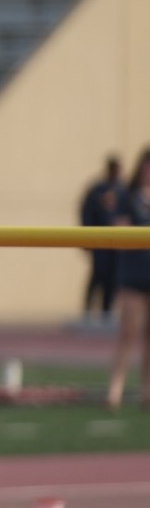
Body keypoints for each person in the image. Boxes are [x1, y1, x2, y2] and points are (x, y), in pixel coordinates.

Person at [105, 148, 150, 411]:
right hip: (133, 274)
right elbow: (118, 231)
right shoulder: (127, 196)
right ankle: (115, 389)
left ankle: (147, 390)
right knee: (129, 331)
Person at [80, 155, 125, 323]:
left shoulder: (122, 190)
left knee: (112, 279)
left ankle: (106, 313)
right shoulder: (97, 190)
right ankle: (87, 313)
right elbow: (87, 213)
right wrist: (85, 237)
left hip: (116, 244)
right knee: (97, 275)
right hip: (99, 241)